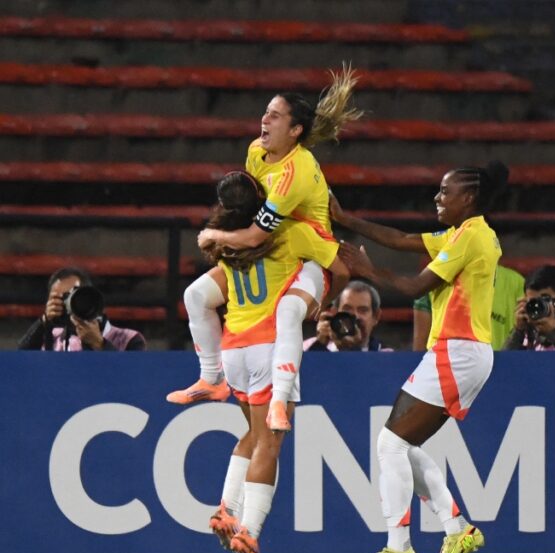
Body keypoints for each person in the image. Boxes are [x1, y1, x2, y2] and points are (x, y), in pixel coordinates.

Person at [334, 161, 507, 553]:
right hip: (458, 352)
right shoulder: (466, 234)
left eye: (446, 192)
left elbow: (414, 286)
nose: (438, 198)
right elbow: (401, 238)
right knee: (401, 444)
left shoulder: (470, 238)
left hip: (458, 351)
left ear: (470, 199)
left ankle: (399, 547)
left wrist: (368, 270)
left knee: (390, 443)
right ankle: (456, 528)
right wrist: (345, 219)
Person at [172, 67, 362, 433]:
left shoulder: (297, 173)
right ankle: (211, 378)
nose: (264, 119)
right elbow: (251, 211)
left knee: (290, 309)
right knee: (195, 295)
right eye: (265, 112)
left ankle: (279, 399)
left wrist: (213, 236)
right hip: (278, 249)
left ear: (295, 131)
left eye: (275, 115)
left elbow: (256, 235)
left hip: (310, 255)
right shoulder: (257, 153)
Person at [182, 172, 349, 553]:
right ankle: (250, 533)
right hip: (272, 349)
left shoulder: (226, 236)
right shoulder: (290, 232)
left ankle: (226, 509)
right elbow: (340, 269)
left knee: (254, 435)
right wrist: (321, 301)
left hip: (234, 349)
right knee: (270, 443)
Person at [17, 266, 145, 351]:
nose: (68, 304)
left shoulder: (129, 339)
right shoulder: (50, 338)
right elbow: (19, 364)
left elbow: (133, 379)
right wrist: (43, 322)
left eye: (72, 295)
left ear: (88, 295)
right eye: (61, 299)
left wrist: (99, 344)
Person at [412, 264, 524, 352]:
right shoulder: (432, 280)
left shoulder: (516, 282)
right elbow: (419, 349)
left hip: (499, 369)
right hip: (448, 369)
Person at [304, 279, 392, 352]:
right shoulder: (307, 347)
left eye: (362, 310)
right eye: (347, 309)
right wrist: (319, 346)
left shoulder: (386, 356)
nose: (355, 316)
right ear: (334, 313)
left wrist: (353, 350)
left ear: (376, 317)